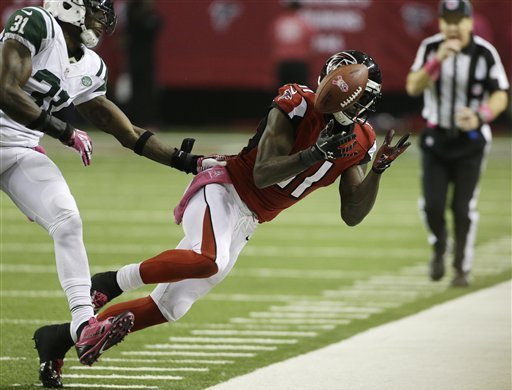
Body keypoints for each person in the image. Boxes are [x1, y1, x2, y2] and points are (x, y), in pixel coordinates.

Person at [35, 50, 411, 388]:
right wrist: (314, 153)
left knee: (170, 307)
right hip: (225, 187)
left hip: (248, 220)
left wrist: (376, 171)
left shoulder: (361, 140)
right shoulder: (296, 103)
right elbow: (263, 173)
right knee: (207, 258)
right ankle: (110, 281)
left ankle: (56, 339)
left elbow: (352, 215)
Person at [0, 0, 206, 386]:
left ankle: (82, 326)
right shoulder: (37, 23)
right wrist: (63, 131)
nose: (103, 18)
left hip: (19, 148)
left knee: (67, 221)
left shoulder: (90, 65)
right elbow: (5, 88)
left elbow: (125, 131)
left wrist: (186, 162)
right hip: (17, 137)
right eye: (95, 8)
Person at [405, 0, 509, 287]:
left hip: (470, 141)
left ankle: (461, 266)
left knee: (462, 208)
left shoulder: (485, 53)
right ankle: (439, 245)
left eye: (458, 20)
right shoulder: (430, 47)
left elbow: (500, 94)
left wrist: (480, 115)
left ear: (469, 22)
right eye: (447, 20)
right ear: (440, 23)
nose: (452, 26)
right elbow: (413, 85)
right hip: (436, 137)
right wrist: (437, 61)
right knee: (432, 206)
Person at [270, 0, 315, 87]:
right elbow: (310, 44)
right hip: (300, 62)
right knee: (301, 91)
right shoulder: (304, 24)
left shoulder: (279, 23)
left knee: (283, 92)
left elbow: (272, 41)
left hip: (283, 63)